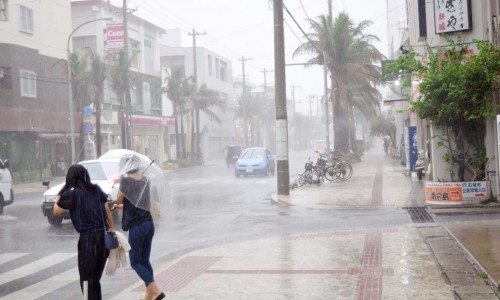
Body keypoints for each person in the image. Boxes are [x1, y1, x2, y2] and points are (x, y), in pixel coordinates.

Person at [53, 164, 114, 300]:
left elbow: (56, 211)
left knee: (87, 281)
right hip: (103, 238)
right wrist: (112, 232)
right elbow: (107, 210)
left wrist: (60, 193)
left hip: (88, 240)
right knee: (95, 280)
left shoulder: (72, 193)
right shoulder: (96, 189)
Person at [114, 154, 165, 300]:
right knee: (145, 261)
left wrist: (119, 201)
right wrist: (122, 206)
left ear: (126, 166)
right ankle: (149, 294)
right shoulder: (145, 179)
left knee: (135, 262)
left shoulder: (125, 181)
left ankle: (155, 290)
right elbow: (138, 201)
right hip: (149, 223)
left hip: (137, 226)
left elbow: (119, 199)